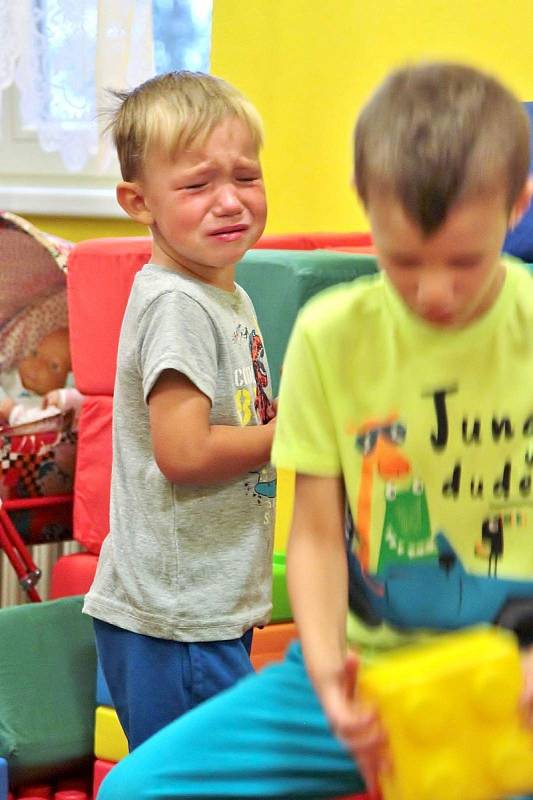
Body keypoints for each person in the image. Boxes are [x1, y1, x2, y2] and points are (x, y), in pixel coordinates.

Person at [96, 61, 533, 800]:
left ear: (516, 208)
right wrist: (329, 666)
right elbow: (317, 531)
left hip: (506, 671)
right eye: (401, 261)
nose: (431, 294)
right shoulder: (331, 335)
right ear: (367, 207)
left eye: (462, 262)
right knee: (136, 787)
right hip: (354, 669)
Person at [82, 71, 276, 750]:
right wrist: (292, 434)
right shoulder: (177, 304)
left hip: (203, 604)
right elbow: (185, 453)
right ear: (139, 202)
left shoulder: (225, 297)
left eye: (245, 177)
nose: (229, 202)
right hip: (175, 618)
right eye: (196, 186)